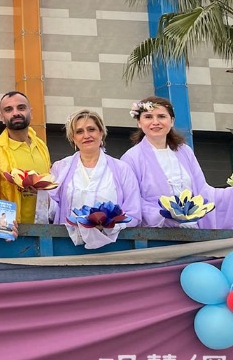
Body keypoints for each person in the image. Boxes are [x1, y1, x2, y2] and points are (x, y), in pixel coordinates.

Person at [121, 96, 230, 229]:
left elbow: (202, 190)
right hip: (156, 231)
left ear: (171, 121)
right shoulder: (131, 158)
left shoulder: (185, 151)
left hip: (193, 227)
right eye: (148, 117)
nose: (155, 122)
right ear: (139, 122)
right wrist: (167, 217)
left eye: (161, 116)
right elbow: (133, 201)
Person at [49, 110, 141, 248]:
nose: (86, 135)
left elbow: (134, 212)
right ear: (73, 138)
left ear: (101, 133)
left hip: (114, 245)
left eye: (91, 129)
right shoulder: (60, 168)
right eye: (79, 132)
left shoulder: (122, 169)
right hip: (67, 244)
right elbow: (51, 209)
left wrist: (108, 226)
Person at [0, 91, 51, 223]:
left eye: (21, 108)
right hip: (11, 233)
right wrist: (6, 228)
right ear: (2, 117)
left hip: (43, 230)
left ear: (30, 112)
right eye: (8, 109)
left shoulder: (41, 145)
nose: (16, 113)